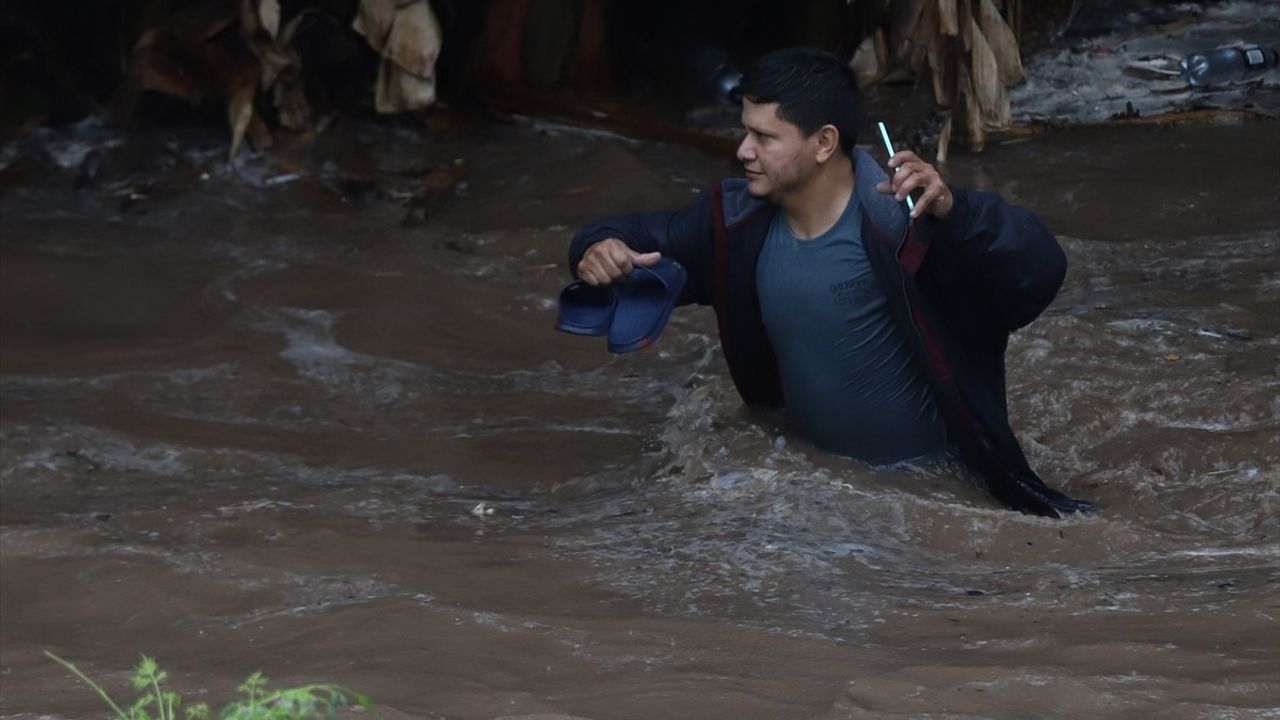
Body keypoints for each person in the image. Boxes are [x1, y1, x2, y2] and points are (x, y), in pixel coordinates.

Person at [567, 47, 1094, 517]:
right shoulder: (734, 224)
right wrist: (597, 248)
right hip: (813, 488)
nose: (743, 150)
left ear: (823, 143)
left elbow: (1039, 268)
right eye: (745, 131)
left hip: (937, 493)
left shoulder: (907, 223)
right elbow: (635, 234)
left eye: (763, 137)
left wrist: (958, 211)